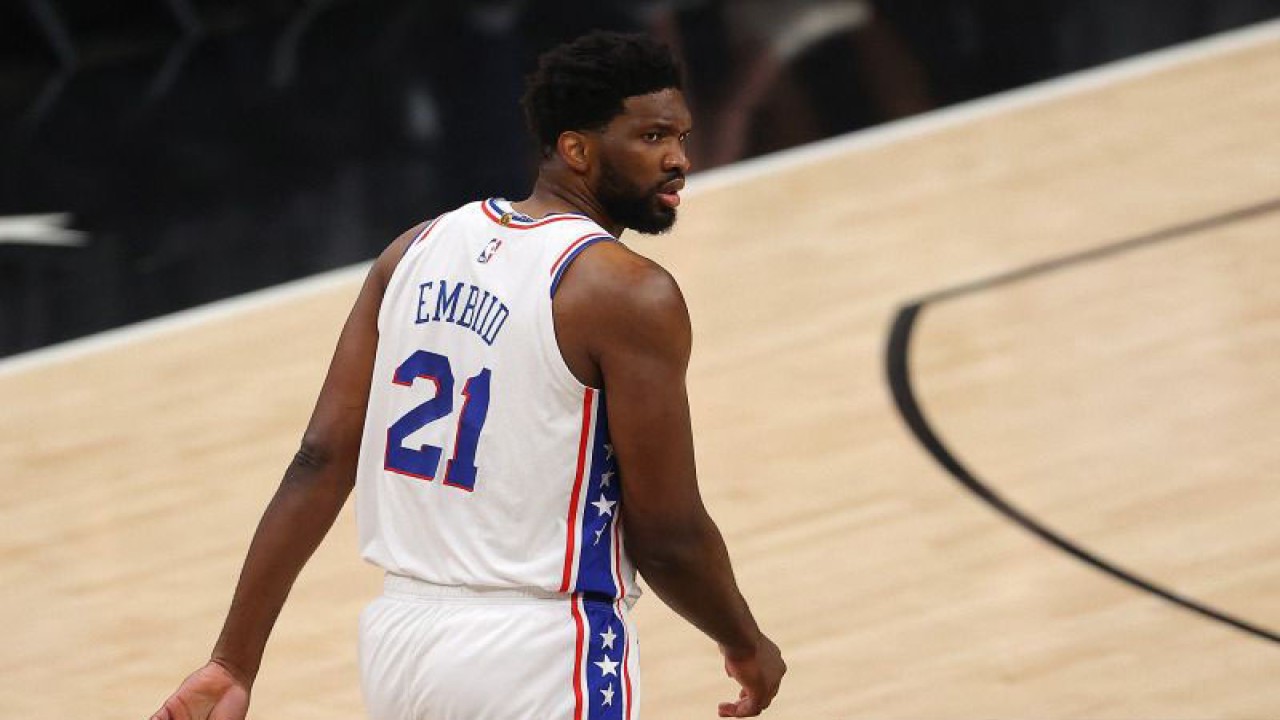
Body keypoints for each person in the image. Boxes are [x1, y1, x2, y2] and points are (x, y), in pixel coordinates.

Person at [149, 30, 785, 720]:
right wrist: (744, 640)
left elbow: (320, 459)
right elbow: (666, 531)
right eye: (654, 137)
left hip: (400, 645)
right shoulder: (628, 293)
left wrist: (234, 660)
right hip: (539, 648)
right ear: (576, 149)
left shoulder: (414, 249)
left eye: (682, 137)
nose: (680, 160)